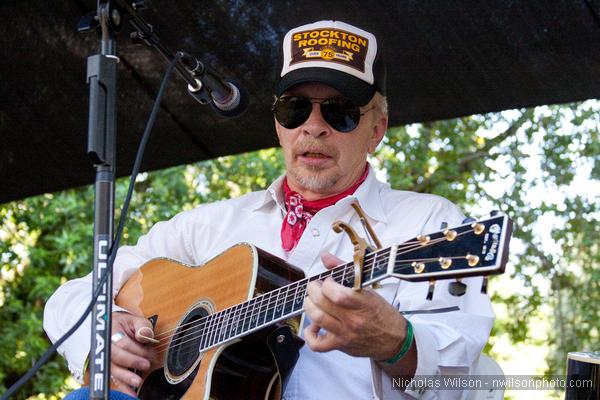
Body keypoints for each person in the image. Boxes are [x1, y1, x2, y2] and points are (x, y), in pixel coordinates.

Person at [44, 20, 494, 399]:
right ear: (278, 125)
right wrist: (101, 339)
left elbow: (460, 377)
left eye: (339, 113)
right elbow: (74, 297)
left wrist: (397, 343)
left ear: (377, 129)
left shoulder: (430, 224)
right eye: (295, 109)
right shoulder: (210, 225)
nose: (313, 128)